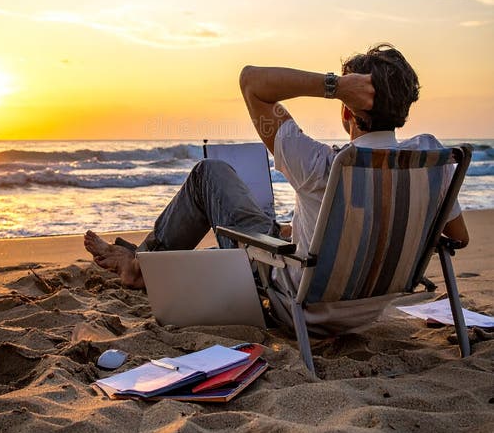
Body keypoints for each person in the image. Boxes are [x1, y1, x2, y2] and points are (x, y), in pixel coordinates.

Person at [84, 43, 468, 289]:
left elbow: (252, 82)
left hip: (299, 298)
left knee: (210, 173)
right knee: (278, 225)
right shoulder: (433, 159)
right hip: (369, 299)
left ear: (347, 109)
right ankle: (145, 259)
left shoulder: (324, 165)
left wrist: (335, 85)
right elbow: (457, 236)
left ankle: (139, 266)